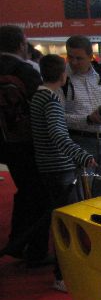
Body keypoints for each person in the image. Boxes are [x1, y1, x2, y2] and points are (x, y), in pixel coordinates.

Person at [29, 54, 96, 291]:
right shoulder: (51, 100)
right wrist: (83, 156)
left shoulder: (37, 97)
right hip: (59, 168)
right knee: (66, 225)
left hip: (47, 166)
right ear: (62, 74)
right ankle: (63, 274)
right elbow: (58, 135)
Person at [0, 24, 45, 265]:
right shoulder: (26, 71)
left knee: (25, 191)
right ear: (21, 44)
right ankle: (35, 250)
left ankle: (17, 242)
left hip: (6, 143)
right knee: (39, 195)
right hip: (31, 143)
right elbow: (42, 106)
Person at [61, 35, 101, 197]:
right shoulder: (63, 80)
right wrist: (88, 119)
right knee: (81, 194)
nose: (74, 62)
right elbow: (58, 118)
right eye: (70, 57)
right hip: (77, 142)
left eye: (79, 58)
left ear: (90, 57)